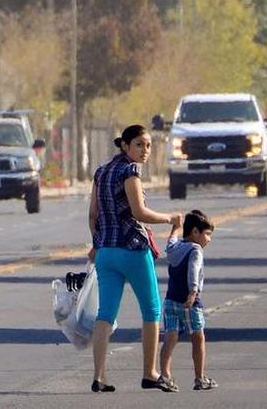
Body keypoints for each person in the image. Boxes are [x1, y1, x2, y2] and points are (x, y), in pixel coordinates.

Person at [87, 124, 182, 393]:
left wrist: (97, 243)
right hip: (133, 250)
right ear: (125, 146)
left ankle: (99, 376)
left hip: (106, 253)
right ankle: (150, 373)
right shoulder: (130, 171)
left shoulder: (101, 172)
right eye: (139, 145)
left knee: (105, 314)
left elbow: (93, 216)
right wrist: (169, 219)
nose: (145, 151)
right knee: (151, 311)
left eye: (149, 145)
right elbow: (139, 212)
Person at [160, 209, 217, 391]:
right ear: (195, 232)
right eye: (207, 234)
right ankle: (200, 378)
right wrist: (193, 292)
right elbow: (193, 270)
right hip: (189, 302)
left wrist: (175, 227)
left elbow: (169, 244)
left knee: (170, 337)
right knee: (198, 338)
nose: (209, 239)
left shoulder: (175, 248)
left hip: (170, 300)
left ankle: (165, 376)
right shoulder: (196, 249)